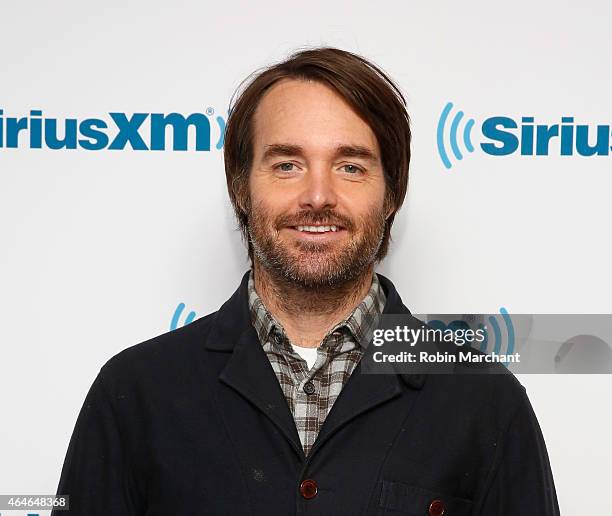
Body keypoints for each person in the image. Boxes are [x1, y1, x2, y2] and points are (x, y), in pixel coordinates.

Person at [53, 47, 560, 515]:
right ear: (241, 186)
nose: (319, 195)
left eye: (350, 166)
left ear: (392, 193)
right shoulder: (135, 394)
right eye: (287, 164)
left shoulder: (485, 402)